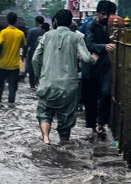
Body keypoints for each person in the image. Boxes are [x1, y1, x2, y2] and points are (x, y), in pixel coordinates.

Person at [32, 9, 98, 144]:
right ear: (70, 23)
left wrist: (39, 76)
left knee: (44, 112)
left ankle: (46, 137)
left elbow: (35, 59)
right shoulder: (76, 37)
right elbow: (86, 58)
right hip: (68, 86)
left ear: (55, 22)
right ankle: (63, 143)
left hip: (48, 83)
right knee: (66, 119)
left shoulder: (47, 36)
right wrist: (94, 58)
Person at [82, 0, 117, 140]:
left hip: (105, 65)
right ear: (98, 13)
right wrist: (104, 46)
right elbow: (90, 44)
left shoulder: (108, 27)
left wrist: (110, 38)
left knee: (106, 93)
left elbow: (104, 40)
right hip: (91, 67)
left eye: (108, 15)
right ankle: (92, 127)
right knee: (91, 98)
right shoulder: (90, 26)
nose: (105, 17)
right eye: (103, 14)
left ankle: (102, 123)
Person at [0, 12, 27, 104]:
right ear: (16, 21)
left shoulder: (3, 32)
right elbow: (25, 46)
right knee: (12, 88)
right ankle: (11, 106)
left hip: (2, 65)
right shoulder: (20, 33)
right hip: (14, 66)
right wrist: (23, 56)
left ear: (7, 20)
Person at [26, 16, 46, 89]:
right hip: (44, 52)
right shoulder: (47, 31)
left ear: (36, 22)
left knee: (31, 68)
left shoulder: (32, 31)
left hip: (33, 51)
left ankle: (32, 85)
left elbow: (27, 42)